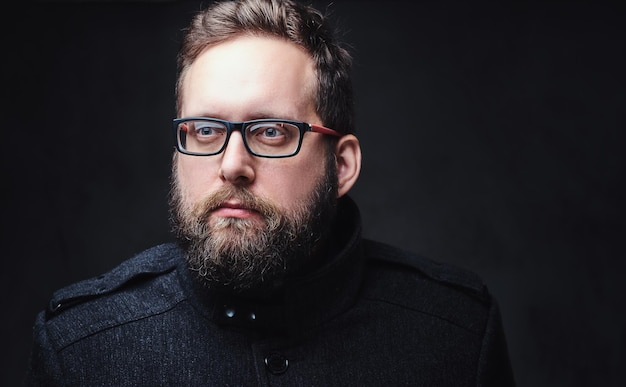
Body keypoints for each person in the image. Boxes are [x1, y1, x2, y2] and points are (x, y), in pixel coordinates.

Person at [26, 0, 515, 385]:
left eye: (272, 131)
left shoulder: (456, 335)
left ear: (341, 165)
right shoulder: (81, 350)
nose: (232, 165)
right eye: (204, 130)